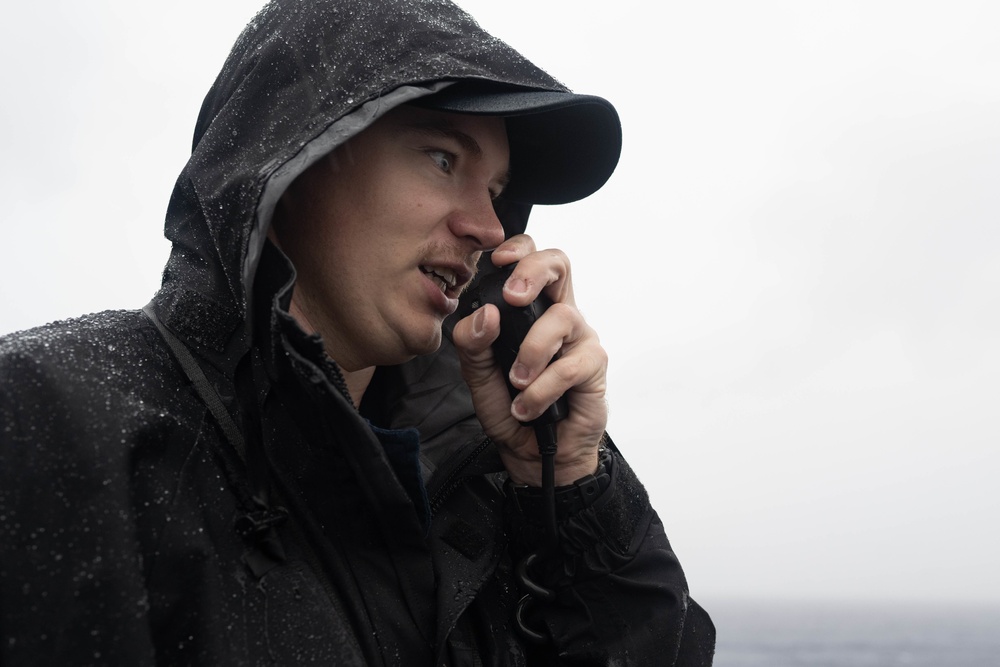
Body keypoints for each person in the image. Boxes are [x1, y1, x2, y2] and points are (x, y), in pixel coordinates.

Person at [0, 0, 715, 664]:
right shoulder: (47, 419)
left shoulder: (485, 485)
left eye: (497, 192)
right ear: (299, 156)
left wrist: (567, 486)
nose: (490, 228)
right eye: (443, 159)